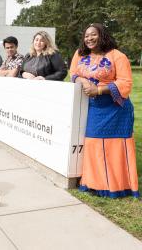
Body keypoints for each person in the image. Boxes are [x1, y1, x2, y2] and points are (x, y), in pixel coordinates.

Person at [70, 23, 139, 198]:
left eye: (93, 35)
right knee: (93, 142)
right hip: (93, 107)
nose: (89, 39)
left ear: (102, 35)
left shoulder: (117, 56)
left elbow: (125, 82)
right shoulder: (80, 54)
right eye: (86, 36)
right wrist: (84, 82)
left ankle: (117, 185)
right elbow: (73, 74)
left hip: (115, 108)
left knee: (114, 146)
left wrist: (99, 90)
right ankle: (94, 183)